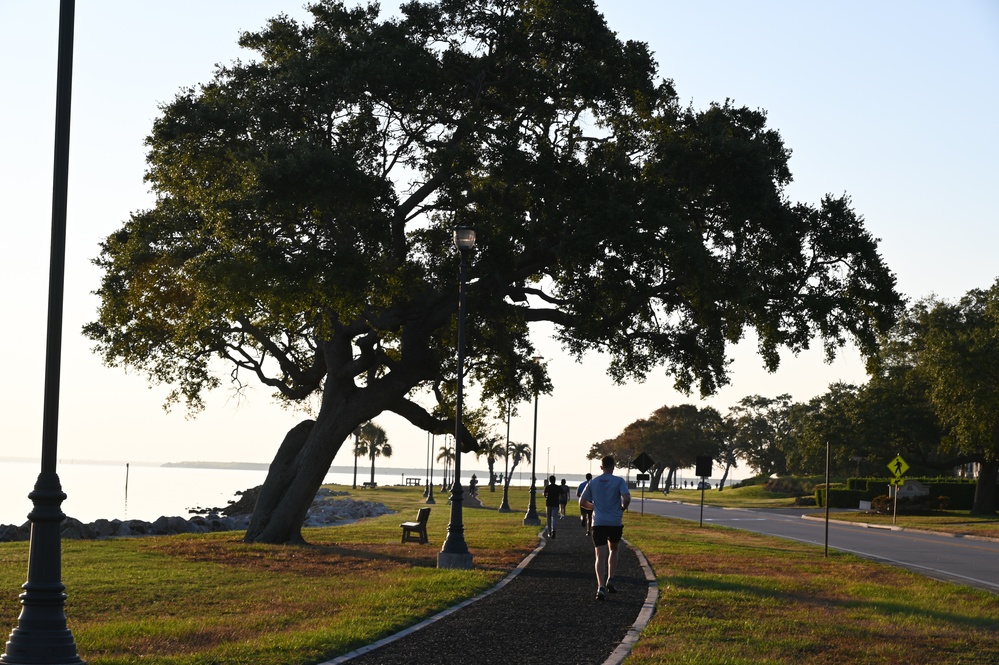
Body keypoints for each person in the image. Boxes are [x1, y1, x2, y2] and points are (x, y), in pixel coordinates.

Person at [578, 456, 631, 601]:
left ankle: (600, 587)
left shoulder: (592, 483)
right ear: (613, 466)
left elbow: (582, 501)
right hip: (614, 521)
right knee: (614, 549)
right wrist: (623, 507)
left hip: (599, 522)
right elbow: (627, 498)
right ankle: (611, 579)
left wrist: (593, 507)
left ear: (601, 467)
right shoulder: (619, 481)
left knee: (600, 555)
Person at [543, 474, 561, 538]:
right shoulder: (558, 487)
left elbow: (545, 495)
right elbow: (562, 494)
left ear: (550, 481)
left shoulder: (548, 487)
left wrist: (547, 496)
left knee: (549, 518)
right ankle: (554, 530)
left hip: (549, 504)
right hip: (556, 504)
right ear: (555, 480)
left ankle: (549, 532)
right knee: (554, 517)